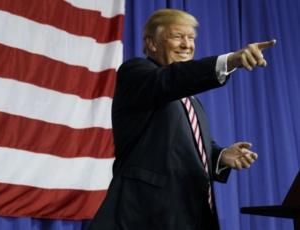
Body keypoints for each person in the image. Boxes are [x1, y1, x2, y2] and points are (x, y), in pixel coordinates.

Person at [88, 9, 276, 230]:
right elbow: (170, 80)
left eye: (191, 38)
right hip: (145, 216)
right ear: (152, 43)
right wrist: (231, 61)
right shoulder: (136, 74)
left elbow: (180, 151)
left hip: (191, 216)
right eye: (177, 36)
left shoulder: (192, 102)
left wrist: (220, 156)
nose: (187, 45)